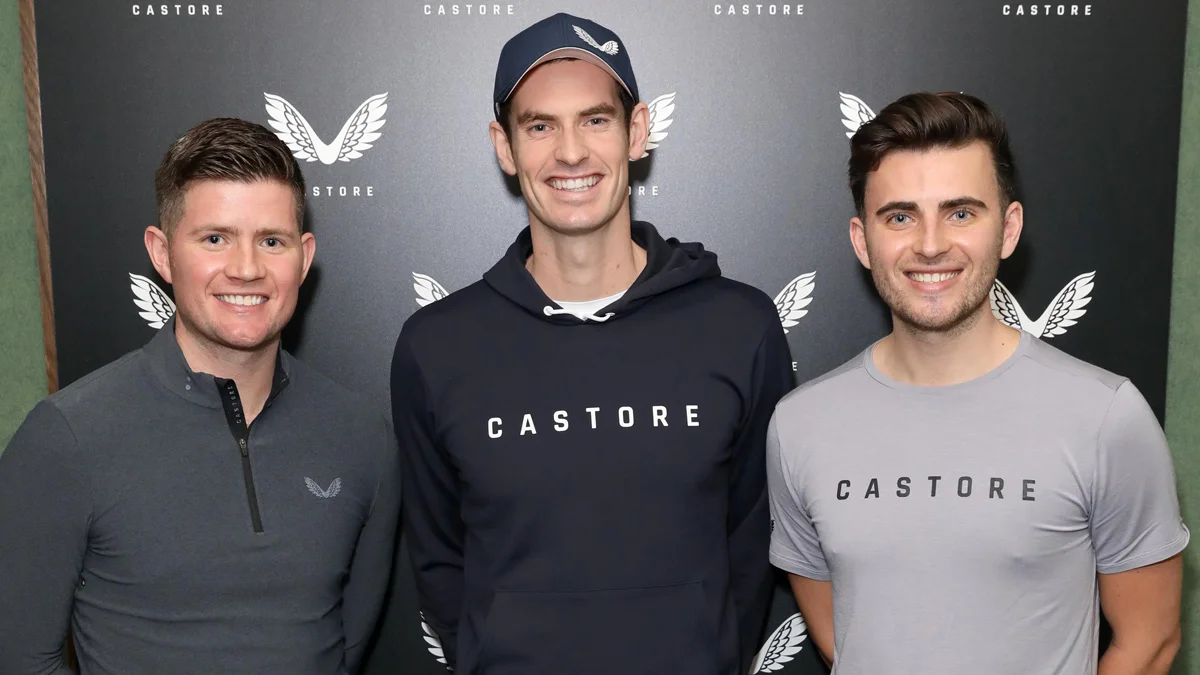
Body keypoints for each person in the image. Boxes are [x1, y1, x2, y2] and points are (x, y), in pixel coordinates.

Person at [391, 12, 791, 675]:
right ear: (504, 145)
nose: (570, 152)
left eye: (595, 120)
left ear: (636, 132)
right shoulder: (437, 347)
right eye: (540, 125)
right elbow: (438, 555)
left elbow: (754, 539)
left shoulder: (739, 326)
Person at [767, 92, 1188, 674]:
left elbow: (1150, 641)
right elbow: (846, 636)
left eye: (961, 212)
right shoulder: (799, 425)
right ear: (863, 241)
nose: (932, 244)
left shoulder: (1105, 416)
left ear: (1008, 229)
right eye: (900, 216)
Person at [0, 118, 400, 675]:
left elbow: (345, 648)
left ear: (304, 258)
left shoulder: (362, 437)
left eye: (271, 241)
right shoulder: (67, 437)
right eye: (215, 238)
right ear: (162, 255)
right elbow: (19, 657)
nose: (246, 268)